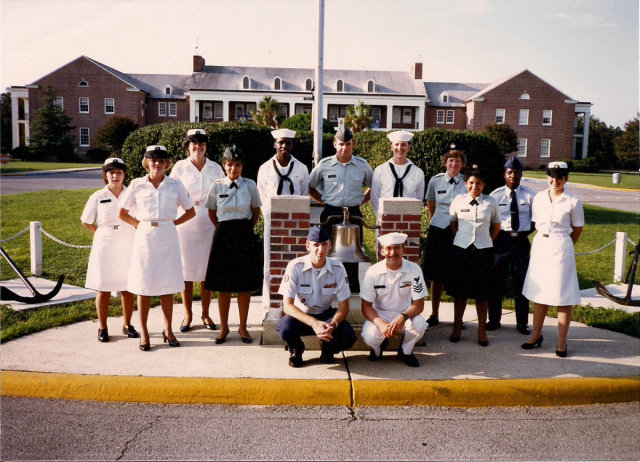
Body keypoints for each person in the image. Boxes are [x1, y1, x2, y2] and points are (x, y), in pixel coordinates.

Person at [118, 145, 195, 351]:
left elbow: (190, 211)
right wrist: (139, 225)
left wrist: (172, 224)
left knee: (168, 287)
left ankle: (168, 330)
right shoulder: (137, 185)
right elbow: (122, 213)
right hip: (145, 237)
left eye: (161, 161)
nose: (157, 164)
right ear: (146, 163)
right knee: (144, 287)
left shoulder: (175, 185)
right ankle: (144, 332)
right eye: (153, 160)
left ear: (167, 164)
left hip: (168, 236)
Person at [521, 161, 584, 358]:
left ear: (566, 179)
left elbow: (578, 229)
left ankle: (561, 342)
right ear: (547, 178)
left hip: (561, 247)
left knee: (562, 296)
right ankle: (536, 335)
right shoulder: (538, 198)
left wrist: (564, 245)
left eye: (560, 177)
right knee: (539, 294)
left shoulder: (573, 201)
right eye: (552, 176)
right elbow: (534, 222)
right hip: (541, 246)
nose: (555, 180)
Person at [204, 145, 262, 344]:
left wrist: (244, 228)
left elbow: (256, 211)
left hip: (244, 234)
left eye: (237, 165)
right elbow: (212, 212)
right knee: (223, 286)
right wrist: (224, 229)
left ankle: (243, 327)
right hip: (223, 235)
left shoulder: (250, 185)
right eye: (229, 165)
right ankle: (224, 328)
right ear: (224, 165)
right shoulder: (216, 186)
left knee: (244, 285)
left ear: (242, 166)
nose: (233, 169)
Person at [169, 128, 225, 333]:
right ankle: (187, 314)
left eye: (201, 143)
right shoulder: (179, 167)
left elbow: (222, 193)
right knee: (187, 270)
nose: (198, 147)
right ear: (187, 146)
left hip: (209, 219)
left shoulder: (215, 167)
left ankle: (205, 313)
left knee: (206, 271)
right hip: (185, 219)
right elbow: (172, 193)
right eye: (194, 143)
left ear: (206, 146)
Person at [277, 225, 357, 367]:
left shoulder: (338, 269)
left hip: (326, 316)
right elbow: (288, 306)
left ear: (330, 246)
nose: (320, 250)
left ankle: (327, 347)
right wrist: (313, 323)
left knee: (348, 335)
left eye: (324, 245)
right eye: (316, 245)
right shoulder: (295, 266)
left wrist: (332, 325)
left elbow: (344, 307)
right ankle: (297, 349)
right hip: (302, 316)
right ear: (308, 246)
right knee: (284, 328)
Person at [308, 125, 373, 293]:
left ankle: (352, 289)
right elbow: (309, 186)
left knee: (352, 256)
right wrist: (323, 201)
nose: (345, 148)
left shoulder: (362, 165)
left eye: (348, 144)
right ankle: (327, 288)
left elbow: (375, 187)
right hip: (331, 213)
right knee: (326, 252)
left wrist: (361, 200)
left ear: (353, 144)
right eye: (341, 144)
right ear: (335, 144)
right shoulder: (324, 165)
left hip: (354, 214)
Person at [81, 157, 138, 343]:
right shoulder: (98, 196)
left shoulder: (132, 194)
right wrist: (99, 233)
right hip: (105, 242)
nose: (115, 176)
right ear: (105, 175)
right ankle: (103, 327)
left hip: (128, 240)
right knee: (103, 287)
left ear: (124, 175)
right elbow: (86, 221)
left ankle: (127, 324)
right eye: (111, 172)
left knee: (128, 287)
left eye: (119, 172)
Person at [446, 166, 501, 347]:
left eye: (478, 183)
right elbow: (453, 224)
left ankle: (481, 330)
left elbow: (496, 227)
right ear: (465, 184)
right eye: (471, 183)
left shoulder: (491, 203)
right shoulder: (458, 201)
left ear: (483, 185)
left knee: (482, 293)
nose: (474, 187)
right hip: (461, 250)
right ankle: (457, 327)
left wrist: (484, 241)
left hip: (483, 251)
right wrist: (463, 239)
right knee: (460, 292)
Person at [257, 128, 310, 314]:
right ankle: (268, 302)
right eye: (280, 142)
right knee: (269, 263)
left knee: (297, 262)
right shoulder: (264, 169)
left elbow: (304, 196)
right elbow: (261, 197)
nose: (284, 146)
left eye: (287, 143)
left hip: (295, 225)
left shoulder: (302, 168)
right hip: (273, 222)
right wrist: (272, 218)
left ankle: (297, 302)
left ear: (292, 145)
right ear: (275, 145)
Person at [360, 232, 427, 367]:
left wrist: (403, 317)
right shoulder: (373, 272)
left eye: (397, 248)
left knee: (420, 324)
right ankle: (378, 349)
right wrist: (381, 325)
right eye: (389, 248)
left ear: (404, 249)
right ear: (382, 251)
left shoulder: (414, 269)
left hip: (405, 314)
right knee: (370, 336)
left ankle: (405, 351)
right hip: (381, 314)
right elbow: (366, 306)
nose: (393, 253)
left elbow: (419, 304)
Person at [488, 157, 535, 335]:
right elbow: (490, 220)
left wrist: (521, 234)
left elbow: (534, 221)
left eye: (516, 172)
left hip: (521, 241)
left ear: (521, 175)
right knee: (496, 280)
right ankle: (494, 320)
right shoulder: (495, 195)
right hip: (500, 241)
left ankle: (522, 323)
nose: (513, 176)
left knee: (521, 282)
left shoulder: (530, 195)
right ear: (504, 175)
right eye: (509, 172)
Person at [422, 144, 467, 327]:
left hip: (459, 233)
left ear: (462, 164)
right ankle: (434, 314)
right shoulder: (435, 181)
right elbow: (430, 203)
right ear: (445, 163)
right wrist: (436, 221)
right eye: (451, 160)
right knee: (436, 276)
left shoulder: (467, 182)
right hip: (438, 232)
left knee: (459, 275)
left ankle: (458, 319)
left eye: (457, 160)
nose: (454, 163)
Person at [370, 130, 425, 216]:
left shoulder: (418, 173)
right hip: (385, 220)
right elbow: (375, 198)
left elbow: (419, 199)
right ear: (391, 147)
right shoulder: (380, 170)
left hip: (408, 221)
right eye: (396, 144)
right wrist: (381, 218)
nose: (399, 148)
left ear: (408, 148)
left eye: (403, 144)